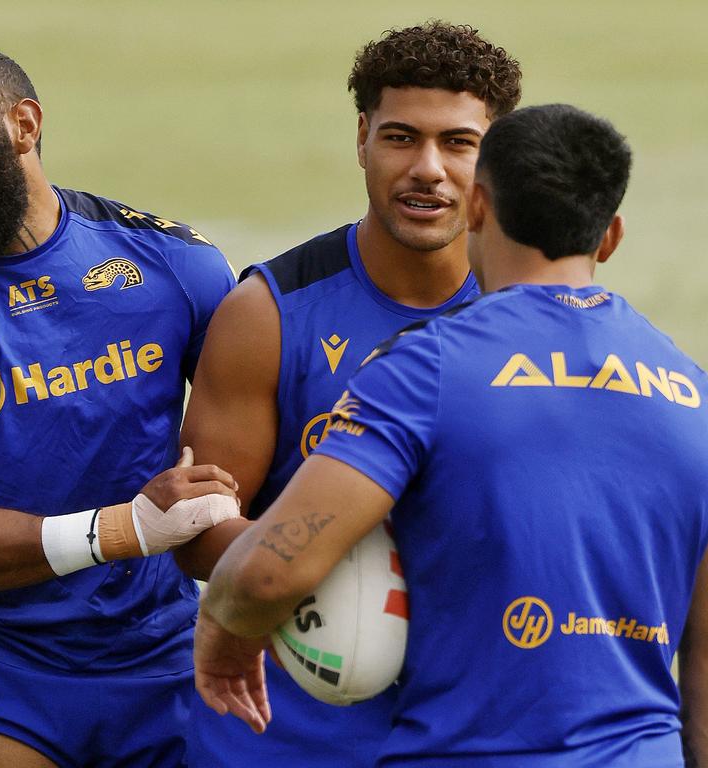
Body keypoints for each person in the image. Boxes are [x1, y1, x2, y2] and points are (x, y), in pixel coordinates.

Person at [194, 103, 708, 766]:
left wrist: (225, 628)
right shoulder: (694, 395)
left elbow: (267, 575)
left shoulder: (423, 368)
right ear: (610, 237)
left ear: (479, 207)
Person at [0, 46, 241, 768]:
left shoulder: (170, 265)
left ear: (22, 125)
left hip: (168, 652)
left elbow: (257, 438)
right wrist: (122, 530)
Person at [175, 22, 522, 766]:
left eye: (458, 143)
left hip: (467, 730)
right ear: (362, 137)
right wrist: (321, 561)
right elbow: (202, 530)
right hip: (280, 735)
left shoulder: (532, 324)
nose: (427, 169)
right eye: (401, 137)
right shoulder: (269, 313)